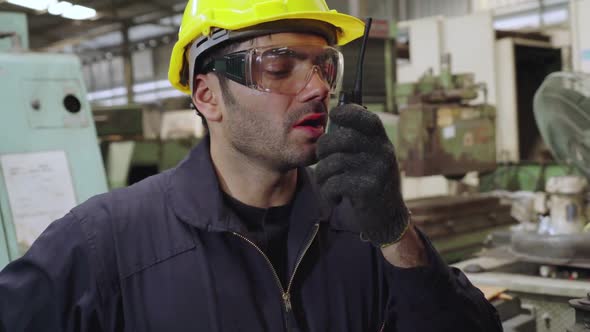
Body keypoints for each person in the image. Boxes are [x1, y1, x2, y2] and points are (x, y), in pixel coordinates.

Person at [0, 0, 502, 331]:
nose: (318, 88)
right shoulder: (104, 242)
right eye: (281, 67)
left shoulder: (364, 232)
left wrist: (399, 236)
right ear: (207, 95)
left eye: (324, 66)